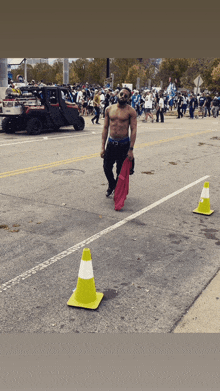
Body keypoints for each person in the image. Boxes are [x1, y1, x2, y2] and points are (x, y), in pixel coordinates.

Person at [100, 87, 137, 197]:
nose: (123, 96)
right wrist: (103, 147)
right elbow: (105, 128)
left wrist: (131, 149)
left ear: (128, 98)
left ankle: (118, 188)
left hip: (124, 145)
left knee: (120, 171)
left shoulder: (131, 111)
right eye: (121, 94)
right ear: (118, 94)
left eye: (126, 95)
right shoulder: (109, 109)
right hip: (111, 144)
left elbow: (134, 130)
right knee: (106, 167)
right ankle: (112, 184)